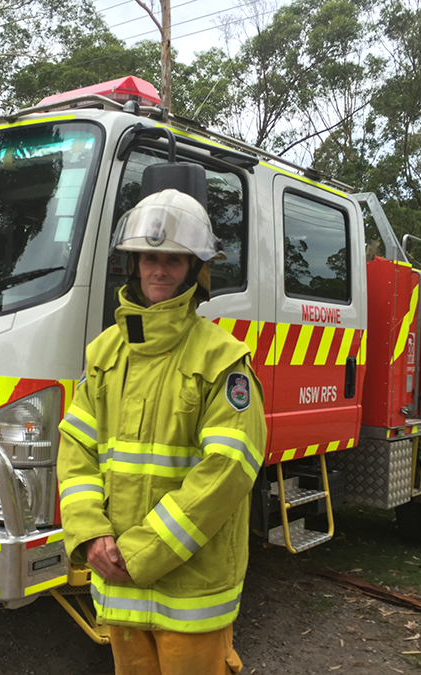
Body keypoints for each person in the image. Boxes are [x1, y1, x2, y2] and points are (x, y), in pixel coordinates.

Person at [57, 188, 268, 675]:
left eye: (173, 259)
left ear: (195, 269)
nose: (159, 270)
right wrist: (91, 535)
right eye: (150, 257)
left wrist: (139, 552)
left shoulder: (222, 359)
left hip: (190, 594)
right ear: (134, 264)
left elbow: (229, 470)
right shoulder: (104, 353)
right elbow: (77, 449)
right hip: (120, 585)